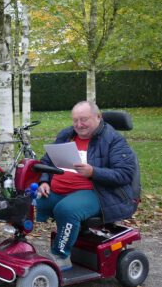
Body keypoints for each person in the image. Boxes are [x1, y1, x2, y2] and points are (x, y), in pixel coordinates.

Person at [35, 101, 137, 270]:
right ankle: (20, 249)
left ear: (98, 117)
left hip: (98, 192)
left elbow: (124, 175)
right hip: (60, 189)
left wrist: (93, 172)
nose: (78, 125)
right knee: (27, 201)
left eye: (84, 119)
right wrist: (44, 181)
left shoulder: (113, 140)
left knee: (67, 209)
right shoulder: (67, 135)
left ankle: (61, 257)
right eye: (75, 120)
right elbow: (47, 161)